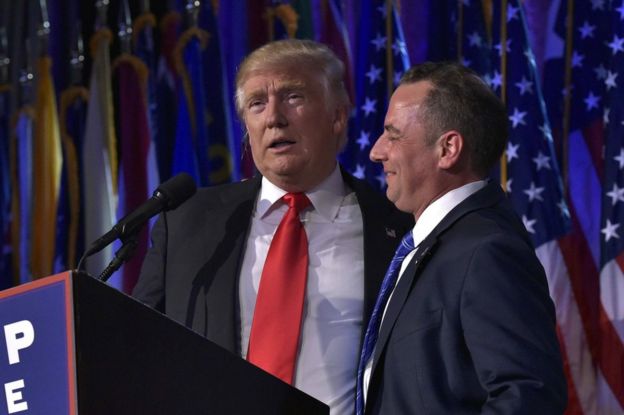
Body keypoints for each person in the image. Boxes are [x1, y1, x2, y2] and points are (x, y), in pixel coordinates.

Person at [133, 39, 412, 415]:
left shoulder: (398, 228)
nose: (273, 118)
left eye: (293, 96)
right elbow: (134, 342)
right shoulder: (187, 221)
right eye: (256, 103)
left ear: (338, 116)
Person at [357, 62, 567, 414]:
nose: (376, 151)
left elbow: (528, 395)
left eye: (393, 134)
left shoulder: (488, 250)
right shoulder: (434, 244)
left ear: (448, 149)